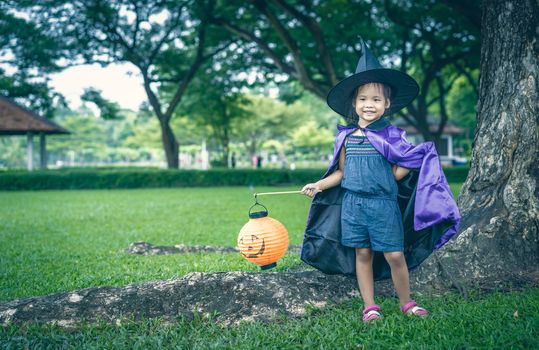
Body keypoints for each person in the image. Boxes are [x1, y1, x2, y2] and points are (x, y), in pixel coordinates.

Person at [301, 39, 461, 322]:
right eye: (363, 99)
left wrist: (386, 177)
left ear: (387, 104)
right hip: (353, 206)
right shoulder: (347, 137)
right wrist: (319, 185)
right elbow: (341, 172)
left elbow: (408, 162)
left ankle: (407, 302)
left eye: (376, 99)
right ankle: (370, 306)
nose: (369, 104)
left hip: (383, 206)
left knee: (394, 255)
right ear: (354, 103)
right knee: (362, 254)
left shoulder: (393, 136)